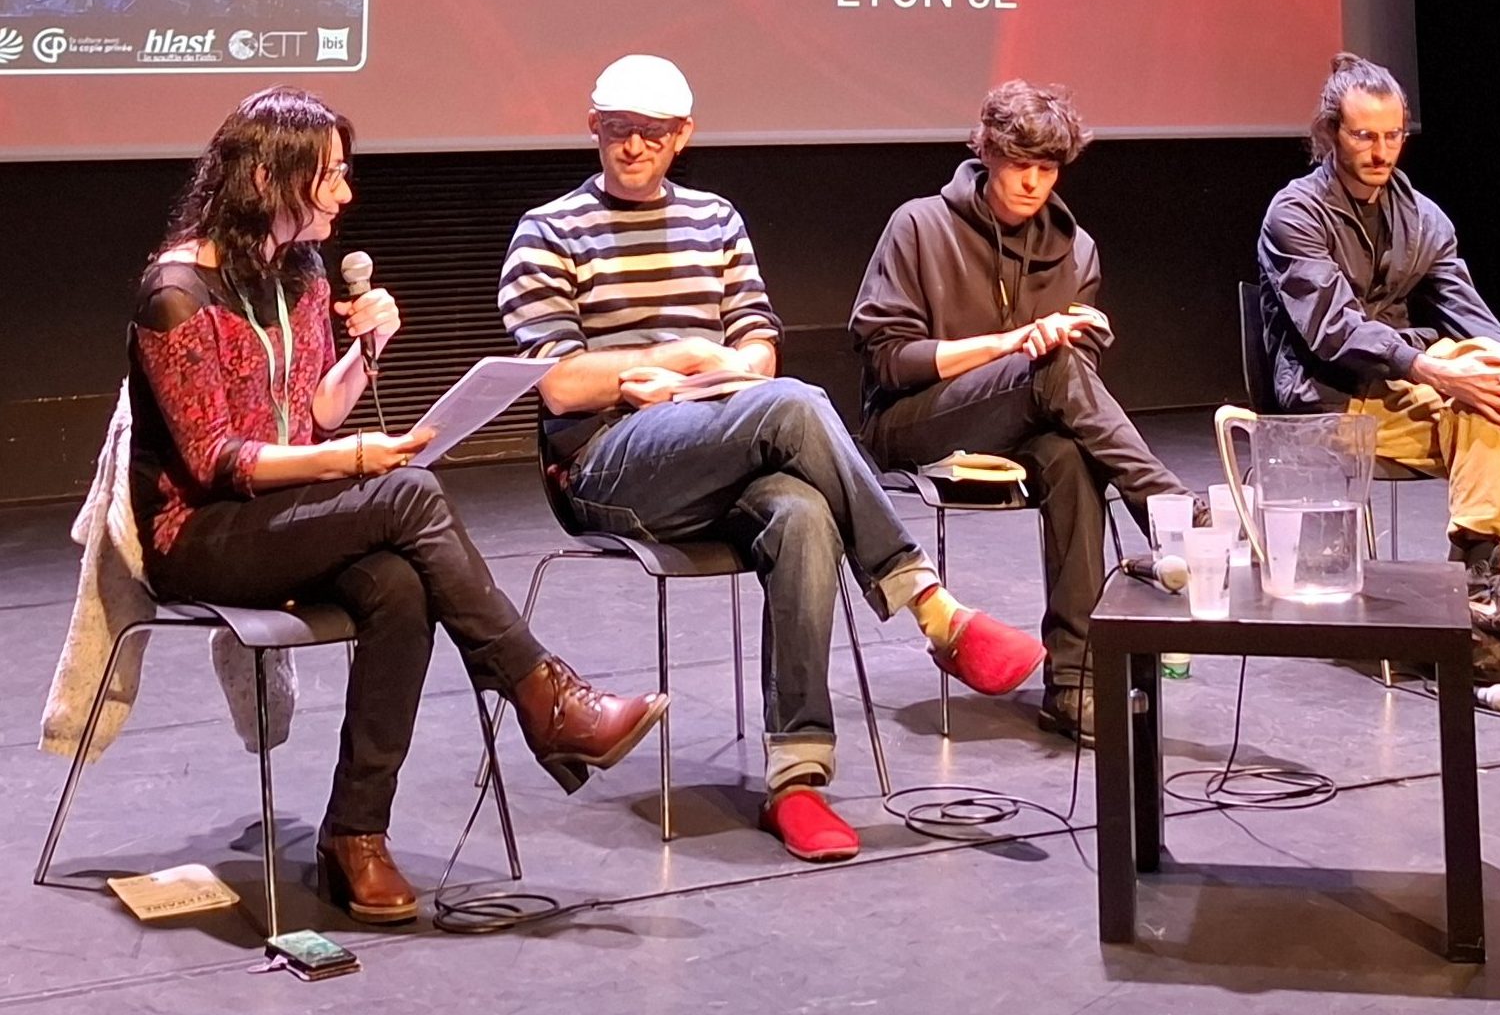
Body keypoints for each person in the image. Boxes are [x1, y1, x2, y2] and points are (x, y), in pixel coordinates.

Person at [130, 89, 667, 925]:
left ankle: (356, 837)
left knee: (400, 586)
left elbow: (316, 411)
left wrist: (363, 353)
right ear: (270, 175)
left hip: (284, 515)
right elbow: (217, 459)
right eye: (331, 177)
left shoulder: (300, 275)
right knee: (407, 492)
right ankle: (544, 695)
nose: (345, 195)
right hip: (199, 536)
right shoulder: (176, 293)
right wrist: (350, 461)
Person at [499, 54, 1044, 862]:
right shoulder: (550, 230)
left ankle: (796, 780)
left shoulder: (716, 220)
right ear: (593, 127)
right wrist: (681, 357)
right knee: (795, 407)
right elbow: (563, 386)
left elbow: (756, 359)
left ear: (684, 137)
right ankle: (931, 608)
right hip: (607, 466)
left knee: (802, 512)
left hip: (721, 442)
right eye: (617, 130)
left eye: (652, 133)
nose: (633, 147)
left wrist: (684, 373)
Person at [851, 80, 1188, 743]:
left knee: (1072, 456)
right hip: (915, 423)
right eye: (1019, 166)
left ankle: (1076, 683)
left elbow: (1074, 385)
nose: (1033, 183)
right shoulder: (919, 225)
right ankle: (1175, 518)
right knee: (1053, 367)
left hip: (1024, 424)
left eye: (1047, 168)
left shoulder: (1076, 249)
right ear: (987, 154)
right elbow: (887, 359)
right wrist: (1011, 347)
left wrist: (1078, 344)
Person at [1256, 53, 1500, 690]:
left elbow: (1468, 310)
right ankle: (1478, 602)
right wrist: (1436, 368)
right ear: (1331, 133)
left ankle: (1476, 593)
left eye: (1392, 135)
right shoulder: (1294, 214)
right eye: (1363, 135)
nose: (1379, 151)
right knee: (1484, 402)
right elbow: (1333, 331)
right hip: (1327, 398)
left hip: (1399, 390)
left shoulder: (1423, 219)